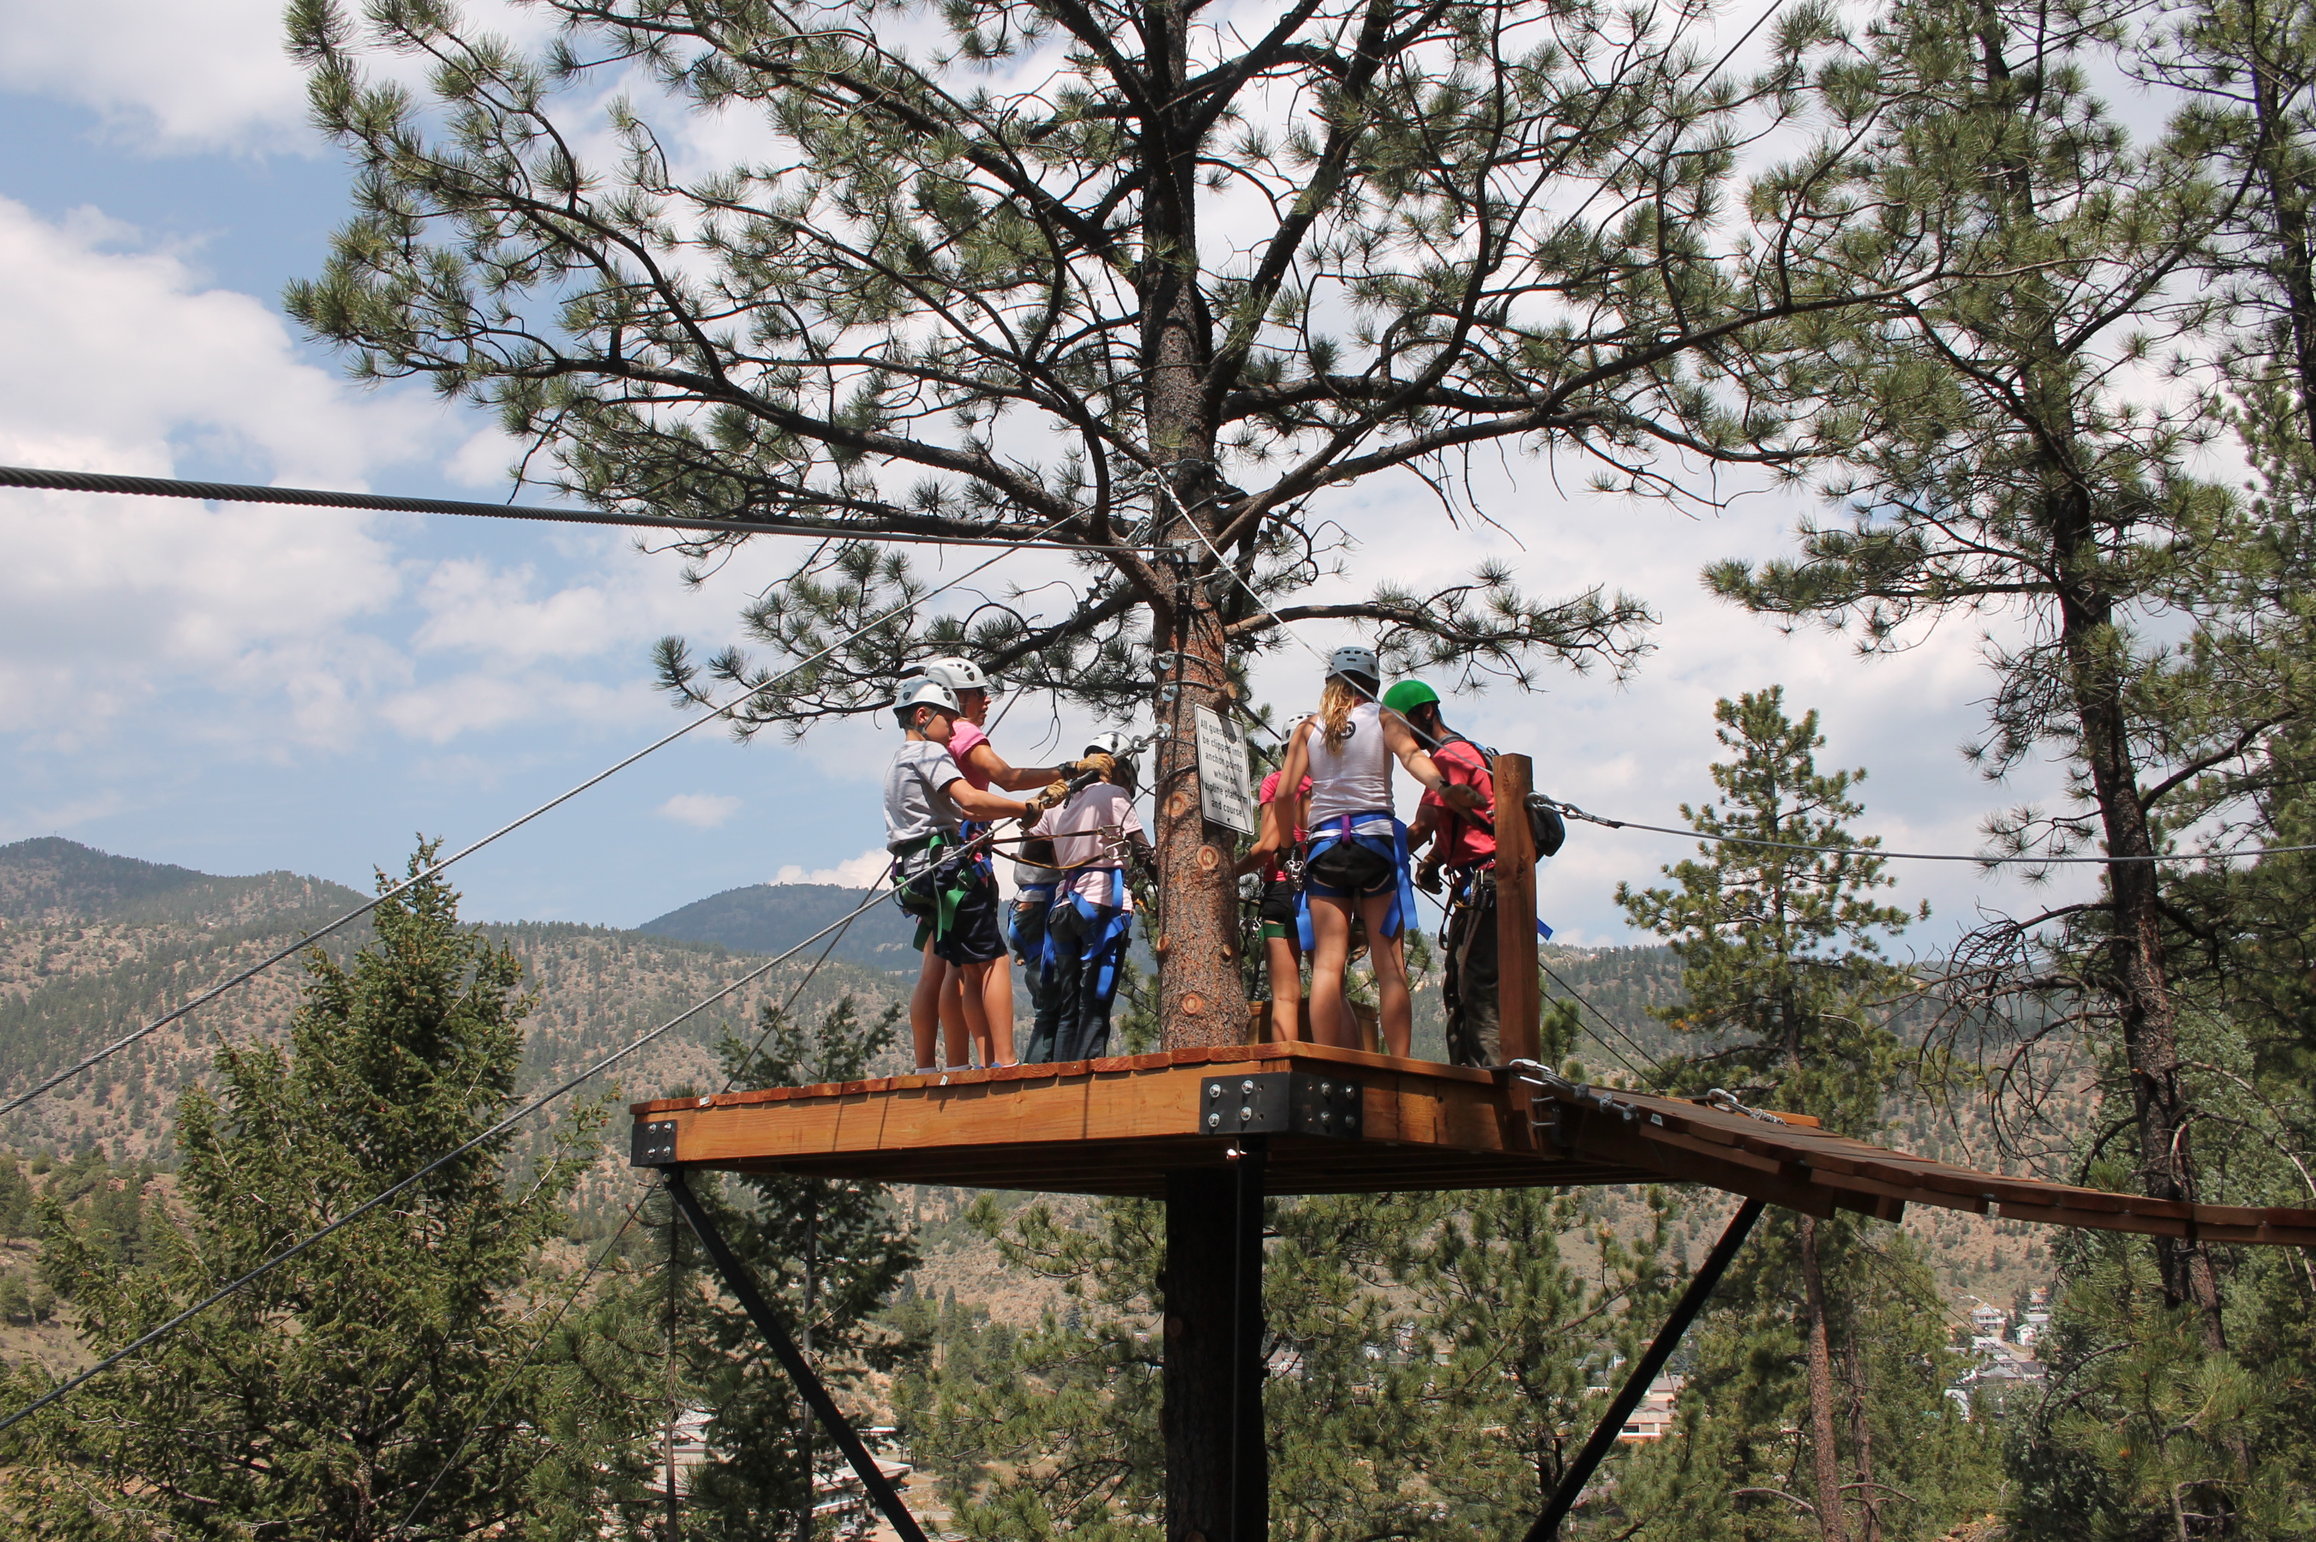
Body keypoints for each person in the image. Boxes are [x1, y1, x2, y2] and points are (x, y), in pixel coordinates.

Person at [1272, 646, 1480, 1058]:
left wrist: (1285, 845)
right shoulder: (1384, 717)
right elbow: (1410, 756)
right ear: (1373, 684)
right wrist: (1442, 787)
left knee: (1329, 966)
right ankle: (1399, 1063)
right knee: (1389, 966)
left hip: (1326, 847)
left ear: (1330, 681)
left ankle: (1331, 1062)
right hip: (1376, 844)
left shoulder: (1308, 729)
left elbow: (1283, 793)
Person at [902, 657, 1075, 1068]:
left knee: (942, 967)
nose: (987, 700)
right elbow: (1007, 777)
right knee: (984, 964)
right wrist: (1065, 771)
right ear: (956, 698)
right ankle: (1000, 1062)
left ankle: (943, 1065)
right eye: (979, 693)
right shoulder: (961, 732)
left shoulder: (922, 748)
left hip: (926, 863)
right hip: (963, 862)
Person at [1386, 678, 1502, 1067]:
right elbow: (1466, 825)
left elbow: (1420, 829)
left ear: (1427, 712)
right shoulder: (1470, 751)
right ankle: (1475, 1072)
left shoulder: (1450, 759)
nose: (1398, 734)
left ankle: (1485, 1081)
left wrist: (1373, 858)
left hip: (1484, 884)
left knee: (1475, 987)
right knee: (1463, 979)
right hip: (1485, 880)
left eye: (1402, 723)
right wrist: (1436, 861)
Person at [1023, 732, 1152, 1063]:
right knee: (1094, 1006)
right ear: (1120, 769)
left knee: (1069, 1008)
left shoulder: (1062, 802)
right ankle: (1087, 1081)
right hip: (1101, 905)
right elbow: (1144, 851)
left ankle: (1060, 1082)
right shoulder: (1114, 795)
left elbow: (1032, 848)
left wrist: (1073, 852)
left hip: (1064, 906)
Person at [1236, 763, 1315, 1041]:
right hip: (1322, 891)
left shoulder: (1276, 782)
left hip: (1281, 888)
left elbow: (1268, 845)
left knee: (1284, 997)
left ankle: (1285, 1069)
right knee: (1329, 987)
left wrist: (1229, 873)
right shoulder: (1327, 781)